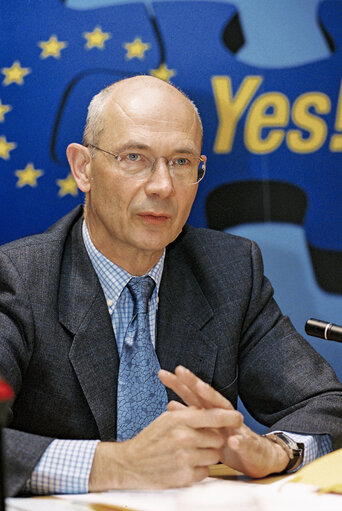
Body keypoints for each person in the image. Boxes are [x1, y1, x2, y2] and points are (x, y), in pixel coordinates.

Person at [0, 75, 341, 497]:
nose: (163, 186)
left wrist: (276, 451)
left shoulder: (230, 271)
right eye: (134, 157)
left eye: (181, 163)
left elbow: (326, 406)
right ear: (83, 168)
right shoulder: (21, 277)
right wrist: (116, 465)